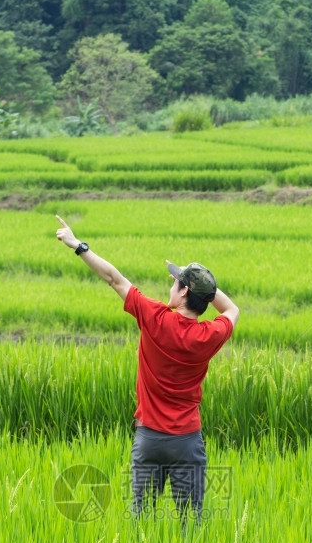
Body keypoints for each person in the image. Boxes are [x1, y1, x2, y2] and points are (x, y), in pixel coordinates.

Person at [55, 215, 239, 521]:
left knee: (141, 523)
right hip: (187, 441)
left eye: (176, 282)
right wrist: (202, 286)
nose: (172, 284)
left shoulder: (154, 317)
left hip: (149, 439)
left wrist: (78, 245)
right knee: (190, 524)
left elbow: (113, 278)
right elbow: (231, 309)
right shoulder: (210, 335)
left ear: (182, 293)